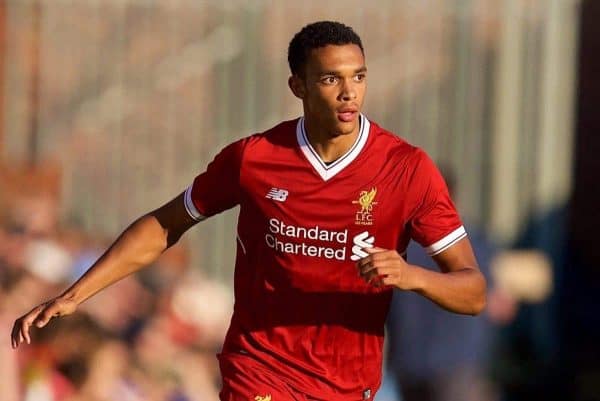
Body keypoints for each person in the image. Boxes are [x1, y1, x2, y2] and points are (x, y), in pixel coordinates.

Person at [12, 21, 486, 401]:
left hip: (346, 385)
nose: (349, 93)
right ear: (297, 84)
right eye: (330, 78)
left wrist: (411, 276)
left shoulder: (407, 168)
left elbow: (473, 291)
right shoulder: (254, 159)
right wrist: (78, 294)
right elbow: (164, 225)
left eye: (358, 77)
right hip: (259, 370)